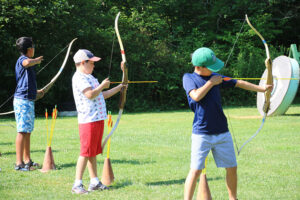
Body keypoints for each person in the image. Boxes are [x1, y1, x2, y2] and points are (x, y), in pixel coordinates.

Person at [182, 47, 273, 200]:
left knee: (232, 167)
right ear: (199, 67)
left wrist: (262, 89)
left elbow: (239, 83)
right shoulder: (189, 78)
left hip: (222, 132)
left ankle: (233, 198)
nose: (213, 71)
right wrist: (211, 83)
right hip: (201, 134)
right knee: (196, 170)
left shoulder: (216, 77)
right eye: (210, 68)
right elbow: (196, 96)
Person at [71, 49, 127, 194]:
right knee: (85, 152)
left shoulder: (90, 77)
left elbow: (102, 95)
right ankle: (77, 184)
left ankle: (94, 181)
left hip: (96, 119)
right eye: (92, 63)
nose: (94, 66)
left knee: (93, 152)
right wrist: (102, 85)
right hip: (88, 120)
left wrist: (120, 87)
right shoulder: (79, 78)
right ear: (83, 63)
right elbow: (90, 94)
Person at [14, 37, 44, 171]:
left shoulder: (28, 63)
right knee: (22, 131)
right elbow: (26, 63)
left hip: (28, 99)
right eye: (33, 48)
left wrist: (36, 92)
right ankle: (19, 163)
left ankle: (27, 160)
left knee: (27, 131)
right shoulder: (22, 60)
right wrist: (36, 60)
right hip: (22, 101)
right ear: (30, 49)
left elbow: (25, 82)